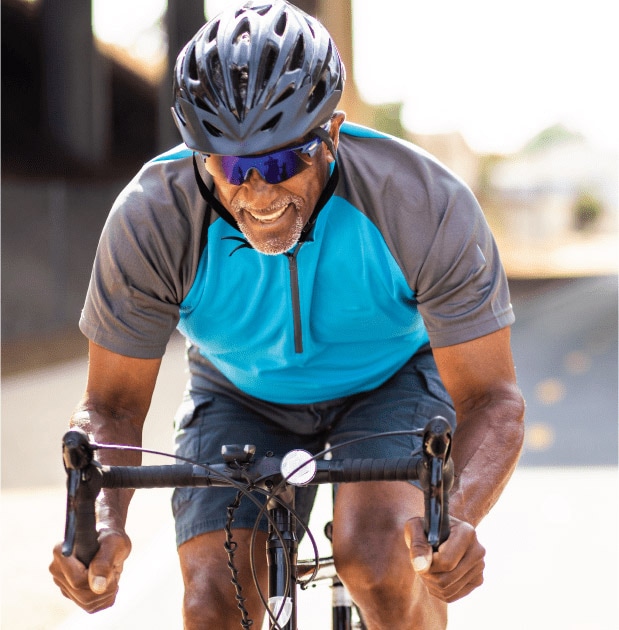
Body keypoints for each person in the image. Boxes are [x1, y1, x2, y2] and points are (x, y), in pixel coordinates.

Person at [49, 1, 525, 628]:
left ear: (331, 134)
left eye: (280, 161)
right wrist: (100, 521)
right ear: (200, 158)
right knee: (213, 603)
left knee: (384, 560)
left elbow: (493, 398)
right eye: (232, 166)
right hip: (238, 391)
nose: (259, 192)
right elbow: (110, 407)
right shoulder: (152, 218)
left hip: (390, 381)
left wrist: (454, 518)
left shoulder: (421, 202)